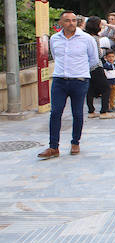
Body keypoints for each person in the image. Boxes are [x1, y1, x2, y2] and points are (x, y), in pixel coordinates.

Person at [38, 11, 100, 158]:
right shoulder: (54, 39)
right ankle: (53, 147)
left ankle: (75, 142)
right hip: (59, 80)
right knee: (55, 113)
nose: (71, 23)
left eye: (73, 20)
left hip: (79, 81)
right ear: (61, 23)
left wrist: (81, 72)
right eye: (67, 21)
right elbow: (55, 55)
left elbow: (94, 60)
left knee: (77, 113)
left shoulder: (86, 39)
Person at [83, 17, 115, 120]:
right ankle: (104, 111)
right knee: (106, 88)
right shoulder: (95, 38)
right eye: (100, 24)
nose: (101, 27)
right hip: (96, 66)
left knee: (90, 89)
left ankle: (91, 111)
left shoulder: (84, 37)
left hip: (87, 67)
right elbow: (97, 54)